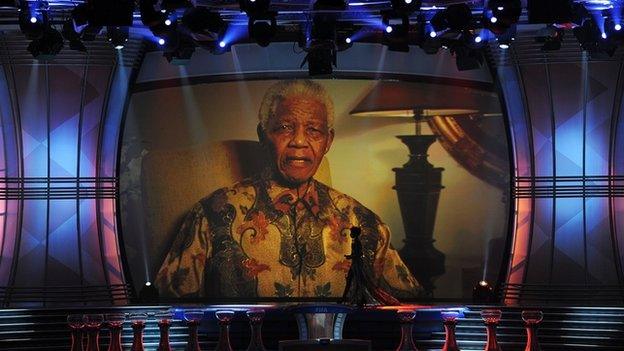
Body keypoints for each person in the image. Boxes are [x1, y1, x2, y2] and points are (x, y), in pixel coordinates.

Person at [155, 80, 422, 299]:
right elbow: (166, 316)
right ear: (263, 135)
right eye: (284, 128)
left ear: (328, 141)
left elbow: (415, 311)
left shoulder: (361, 222)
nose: (299, 141)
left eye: (314, 130)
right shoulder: (213, 215)